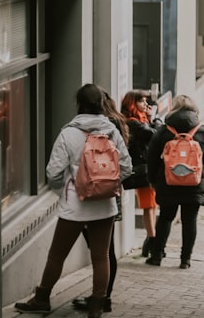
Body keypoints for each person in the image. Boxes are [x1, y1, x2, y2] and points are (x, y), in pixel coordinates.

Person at [15, 84, 132, 318]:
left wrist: (68, 188)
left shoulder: (69, 133)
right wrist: (106, 185)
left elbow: (53, 173)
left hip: (75, 206)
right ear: (101, 104)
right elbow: (126, 168)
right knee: (100, 257)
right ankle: (97, 306)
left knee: (57, 255)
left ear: (78, 104)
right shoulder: (112, 131)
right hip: (104, 205)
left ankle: (42, 298)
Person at [144, 94, 204, 269]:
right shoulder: (202, 131)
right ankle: (185, 260)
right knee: (190, 220)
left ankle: (156, 256)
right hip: (195, 182)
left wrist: (153, 180)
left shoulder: (164, 130)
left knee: (165, 218)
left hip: (168, 181)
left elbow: (152, 157)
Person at [72, 91, 128, 314]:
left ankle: (101, 298)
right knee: (106, 250)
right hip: (111, 191)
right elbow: (125, 164)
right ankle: (104, 297)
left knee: (101, 250)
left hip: (94, 192)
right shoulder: (117, 122)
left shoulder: (102, 126)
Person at [120, 89, 162, 257]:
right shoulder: (132, 123)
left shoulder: (140, 121)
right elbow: (155, 134)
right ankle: (153, 243)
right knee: (148, 205)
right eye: (141, 101)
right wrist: (155, 118)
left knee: (152, 205)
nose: (146, 104)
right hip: (142, 169)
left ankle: (149, 243)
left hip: (148, 168)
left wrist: (151, 119)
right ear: (132, 104)